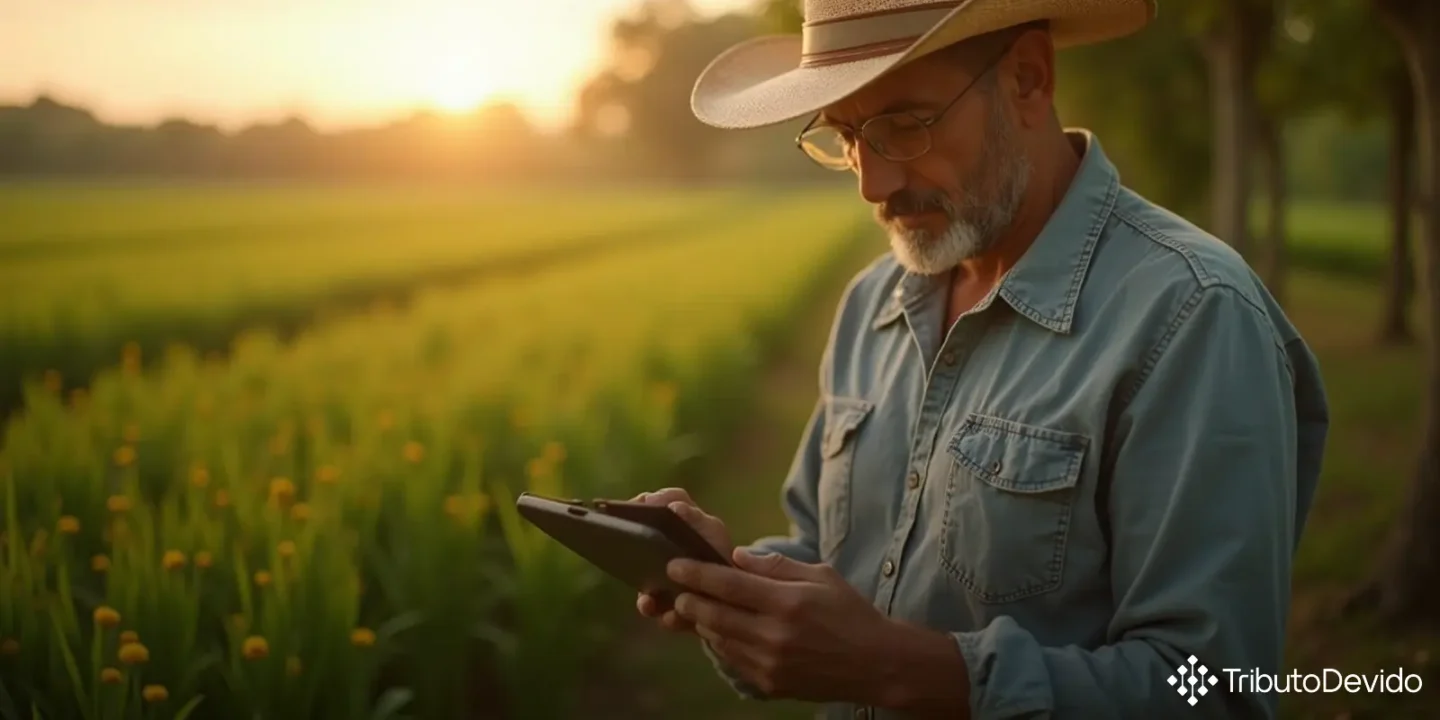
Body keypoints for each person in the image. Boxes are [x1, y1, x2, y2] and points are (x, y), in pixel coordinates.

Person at [632, 0, 1330, 717]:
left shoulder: (1193, 315)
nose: (873, 184)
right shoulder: (873, 303)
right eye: (846, 136)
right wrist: (730, 582)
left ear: (1028, 79)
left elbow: (1214, 687)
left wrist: (897, 669)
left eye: (904, 126)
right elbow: (837, 554)